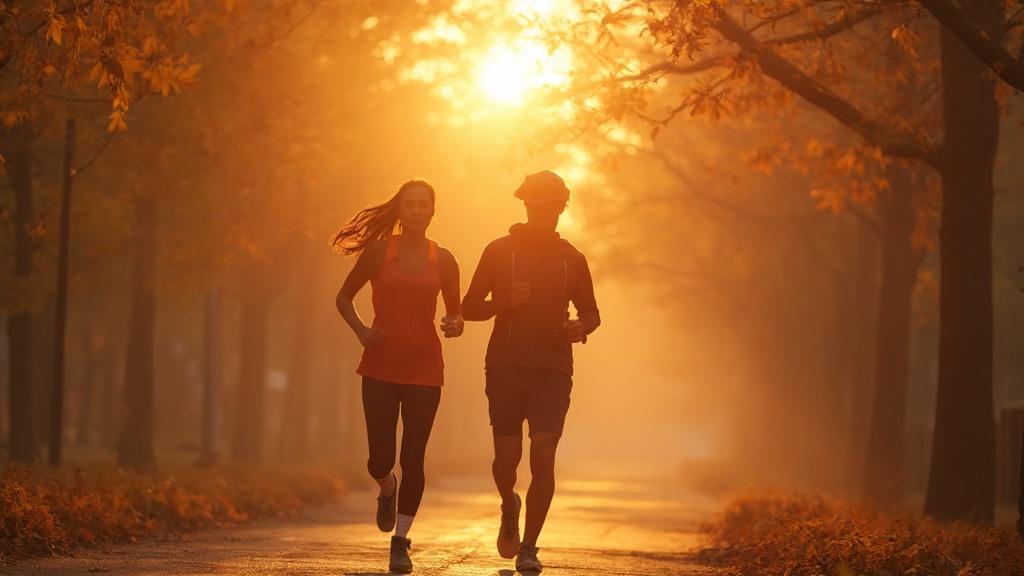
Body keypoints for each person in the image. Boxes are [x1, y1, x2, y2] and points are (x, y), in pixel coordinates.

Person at [462, 170, 600, 573]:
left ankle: (530, 546)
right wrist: (502, 302)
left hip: (552, 368)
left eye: (551, 207)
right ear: (524, 206)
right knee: (507, 462)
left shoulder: (572, 259)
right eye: (536, 206)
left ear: (561, 209)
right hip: (504, 366)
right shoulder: (498, 251)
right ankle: (510, 503)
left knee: (543, 452)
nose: (543, 213)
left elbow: (591, 311)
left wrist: (581, 326)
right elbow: (469, 307)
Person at [333, 179, 463, 574]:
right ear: (400, 211)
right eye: (410, 205)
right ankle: (386, 487)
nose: (417, 211)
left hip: (425, 368)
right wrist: (360, 329)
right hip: (380, 366)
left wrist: (454, 323)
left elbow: (456, 312)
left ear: (433, 211)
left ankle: (401, 542)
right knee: (380, 458)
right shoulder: (377, 253)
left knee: (414, 456)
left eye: (424, 205)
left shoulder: (444, 259)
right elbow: (343, 297)